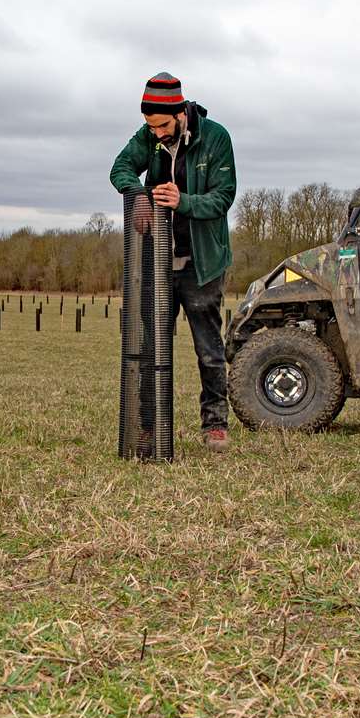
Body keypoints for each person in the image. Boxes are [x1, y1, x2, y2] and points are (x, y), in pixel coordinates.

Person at [109, 72, 238, 453]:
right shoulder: (148, 136)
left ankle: (214, 424)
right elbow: (119, 168)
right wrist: (140, 194)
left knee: (208, 349)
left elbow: (224, 197)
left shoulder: (216, 137)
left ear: (180, 112)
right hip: (157, 263)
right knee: (151, 347)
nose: (157, 133)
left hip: (202, 263)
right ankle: (149, 426)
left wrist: (182, 201)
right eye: (151, 127)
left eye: (163, 125)